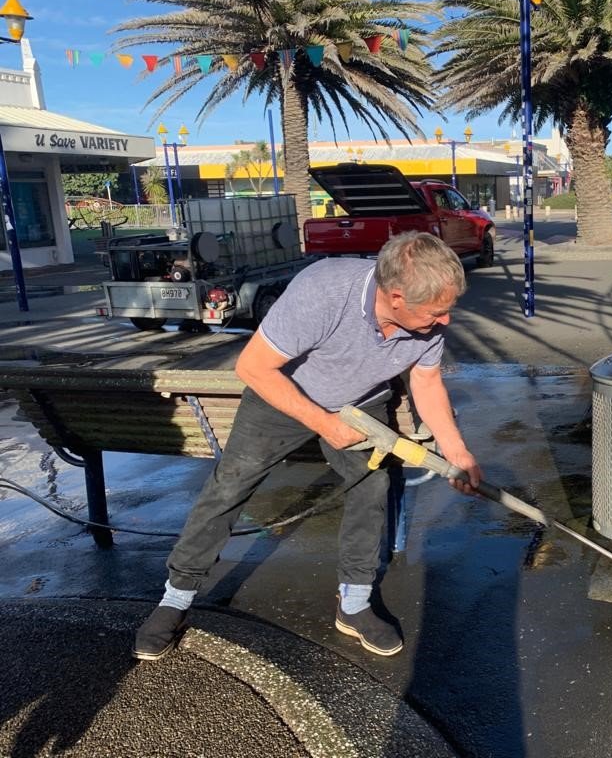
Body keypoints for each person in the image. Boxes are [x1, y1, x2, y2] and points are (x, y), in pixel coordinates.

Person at [133, 232, 481, 660]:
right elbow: (252, 367)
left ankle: (353, 604)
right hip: (282, 394)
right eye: (436, 313)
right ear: (395, 298)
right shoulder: (324, 291)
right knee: (230, 485)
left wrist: (458, 452)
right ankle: (176, 598)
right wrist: (324, 424)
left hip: (359, 402)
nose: (444, 322)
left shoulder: (423, 320)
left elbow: (426, 380)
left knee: (372, 485)